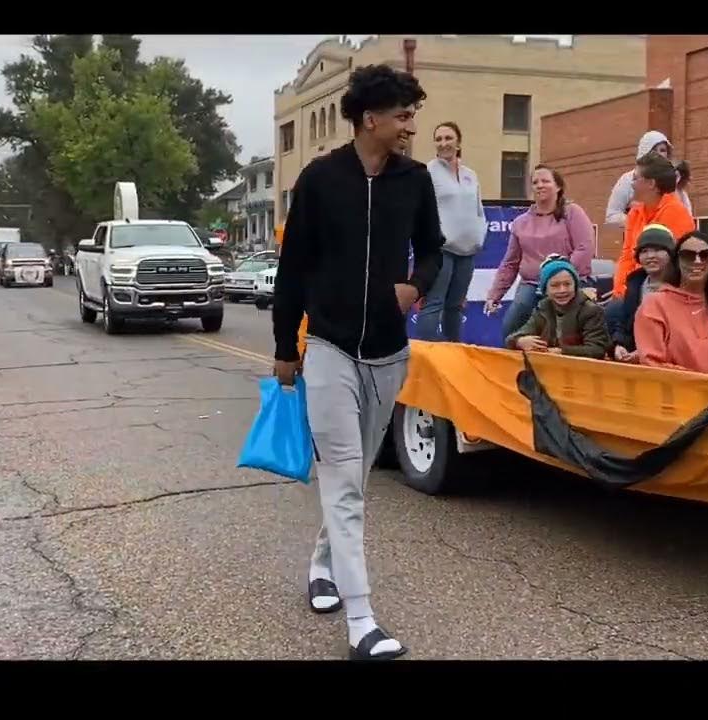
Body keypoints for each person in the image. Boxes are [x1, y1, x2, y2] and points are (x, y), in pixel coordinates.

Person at [272, 64, 442, 661]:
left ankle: (322, 566)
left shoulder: (414, 179)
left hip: (389, 352)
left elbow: (434, 250)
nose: (410, 125)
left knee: (356, 480)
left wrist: (415, 287)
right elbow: (292, 270)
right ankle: (362, 622)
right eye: (402, 115)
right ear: (371, 118)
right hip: (329, 347)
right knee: (344, 479)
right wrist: (282, 350)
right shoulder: (319, 180)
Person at [483, 165, 593, 346]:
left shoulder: (572, 212)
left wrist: (560, 278)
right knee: (510, 326)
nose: (539, 185)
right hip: (532, 285)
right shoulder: (520, 222)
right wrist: (495, 295)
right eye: (535, 182)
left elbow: (584, 248)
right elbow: (511, 263)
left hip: (568, 283)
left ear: (558, 186)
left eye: (545, 181)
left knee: (562, 332)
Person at [635, 231, 708, 377]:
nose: (697, 261)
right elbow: (652, 362)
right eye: (688, 255)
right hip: (676, 394)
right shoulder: (654, 305)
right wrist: (701, 384)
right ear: (676, 261)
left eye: (705, 255)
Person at [418, 121, 488, 342]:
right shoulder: (428, 172)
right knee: (434, 303)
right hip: (442, 249)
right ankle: (426, 356)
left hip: (467, 251)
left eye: (448, 138)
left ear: (458, 142)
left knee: (455, 306)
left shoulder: (471, 175)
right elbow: (420, 211)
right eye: (438, 139)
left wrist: (479, 236)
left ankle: (453, 354)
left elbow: (478, 209)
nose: (443, 143)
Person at [611, 153, 696, 301]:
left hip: (665, 290)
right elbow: (627, 257)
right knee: (612, 312)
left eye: (636, 179)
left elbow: (672, 265)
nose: (632, 184)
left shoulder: (676, 214)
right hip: (636, 286)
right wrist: (619, 290)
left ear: (651, 184)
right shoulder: (635, 213)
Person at [507, 256, 610, 359]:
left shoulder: (591, 310)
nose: (562, 290)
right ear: (545, 290)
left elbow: (597, 350)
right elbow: (512, 338)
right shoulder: (543, 308)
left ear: (575, 285)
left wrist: (562, 352)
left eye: (567, 284)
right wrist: (519, 341)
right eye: (555, 285)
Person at [607, 224, 675, 362]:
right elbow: (625, 323)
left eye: (657, 250)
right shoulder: (635, 285)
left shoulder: (681, 287)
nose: (650, 256)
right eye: (644, 251)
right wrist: (619, 345)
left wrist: (646, 352)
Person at [604, 131, 692, 226]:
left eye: (662, 150)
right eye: (654, 150)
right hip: (637, 237)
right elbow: (611, 216)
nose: (659, 154)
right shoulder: (628, 179)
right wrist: (640, 221)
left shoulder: (673, 180)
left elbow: (687, 216)